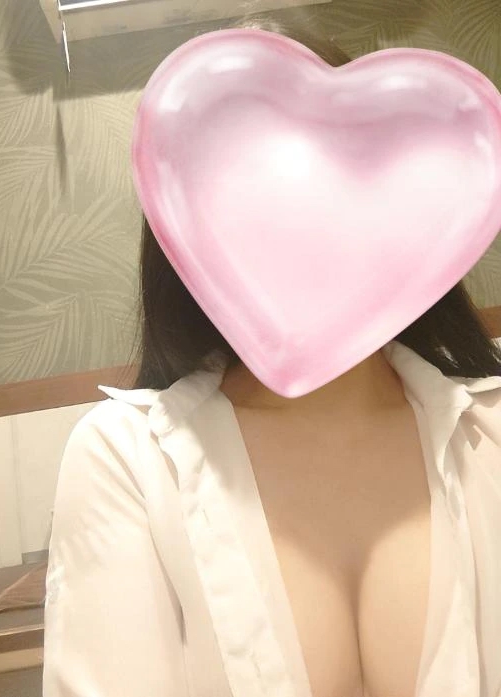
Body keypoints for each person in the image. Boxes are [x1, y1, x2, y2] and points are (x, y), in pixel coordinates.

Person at [42, 14, 501, 697]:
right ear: (188, 224)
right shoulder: (126, 460)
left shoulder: (489, 435)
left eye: (335, 178)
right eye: (255, 185)